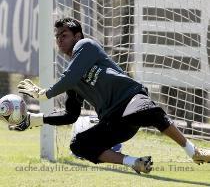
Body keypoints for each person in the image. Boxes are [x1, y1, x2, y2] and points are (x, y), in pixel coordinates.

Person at [10, 18, 210, 174]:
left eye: (64, 35)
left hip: (130, 98)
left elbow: (69, 77)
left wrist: (44, 94)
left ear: (77, 36)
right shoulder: (72, 79)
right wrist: (33, 120)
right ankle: (134, 162)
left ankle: (194, 152)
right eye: (57, 37)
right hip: (115, 120)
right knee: (79, 145)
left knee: (149, 111)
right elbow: (70, 115)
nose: (59, 40)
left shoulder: (86, 45)